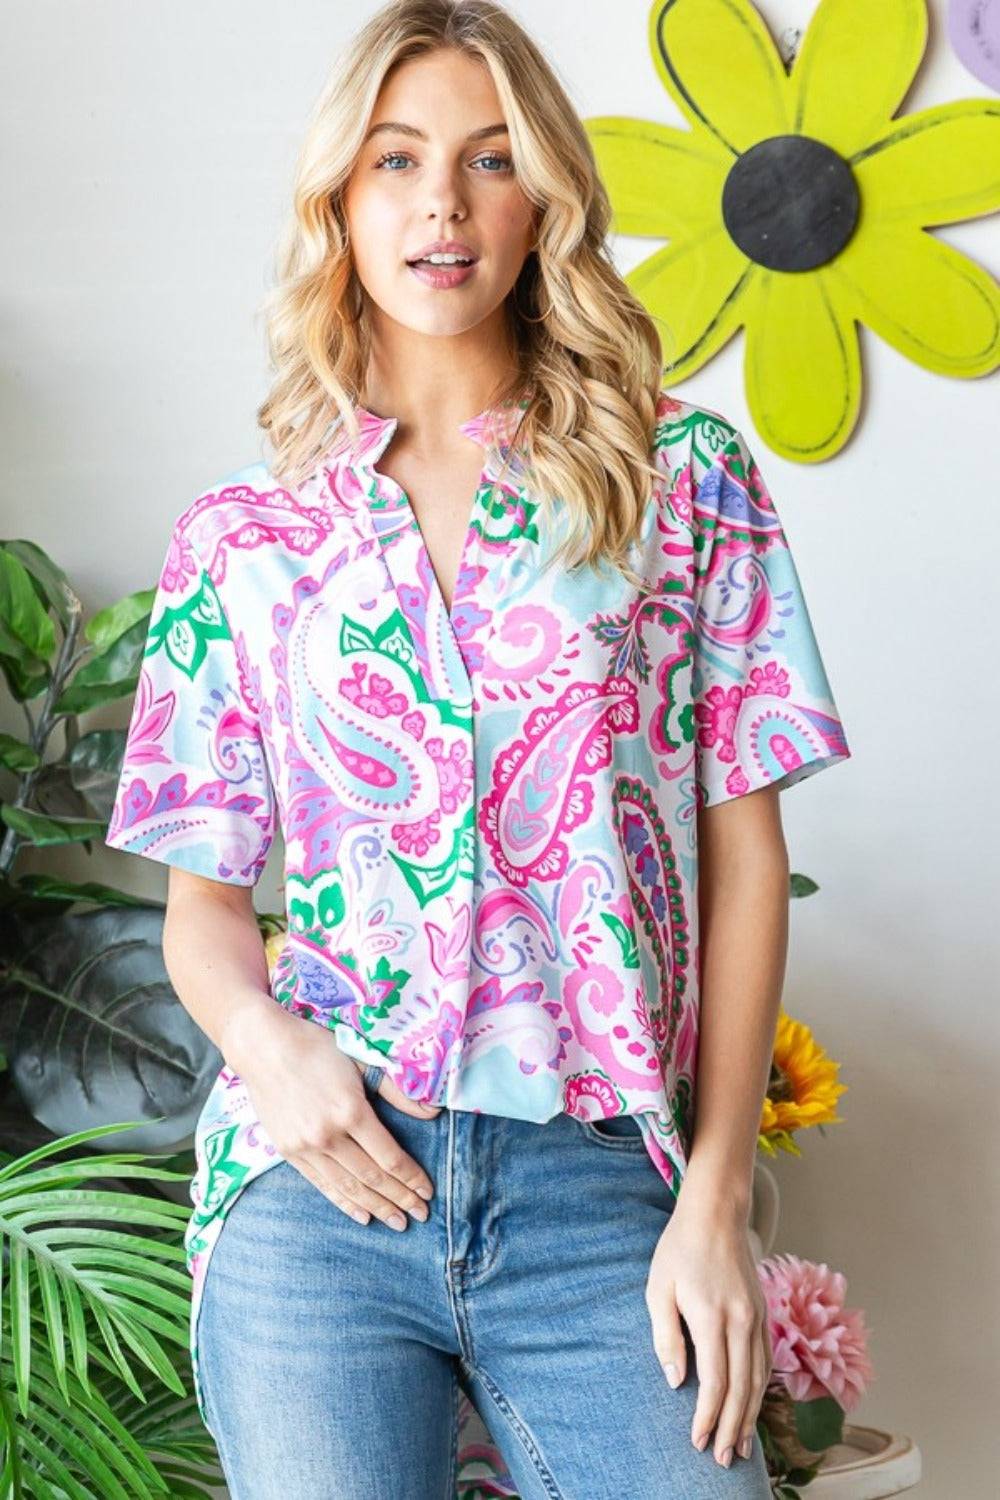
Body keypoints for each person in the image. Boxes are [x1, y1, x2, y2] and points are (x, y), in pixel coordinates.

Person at [105, 2, 852, 1495]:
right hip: (323, 1182)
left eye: (490, 158)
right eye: (396, 160)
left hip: (597, 1186)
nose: (440, 201)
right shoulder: (242, 540)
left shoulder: (681, 483)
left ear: (544, 207)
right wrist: (272, 1054)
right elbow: (202, 911)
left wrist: (715, 1204)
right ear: (341, 202)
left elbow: (745, 866)